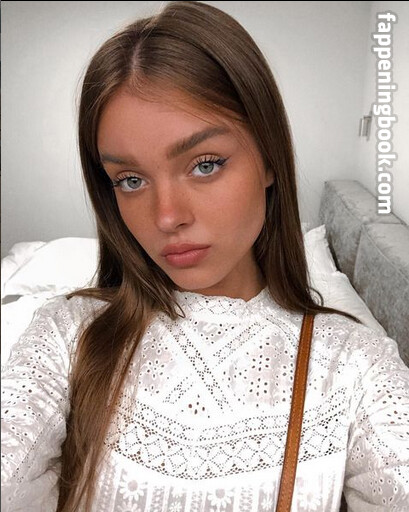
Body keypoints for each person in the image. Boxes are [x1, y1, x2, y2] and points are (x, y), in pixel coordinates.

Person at [2, 2, 408, 511]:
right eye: (131, 179)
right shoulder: (68, 335)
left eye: (206, 164)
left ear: (268, 158)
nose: (166, 216)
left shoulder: (356, 364)